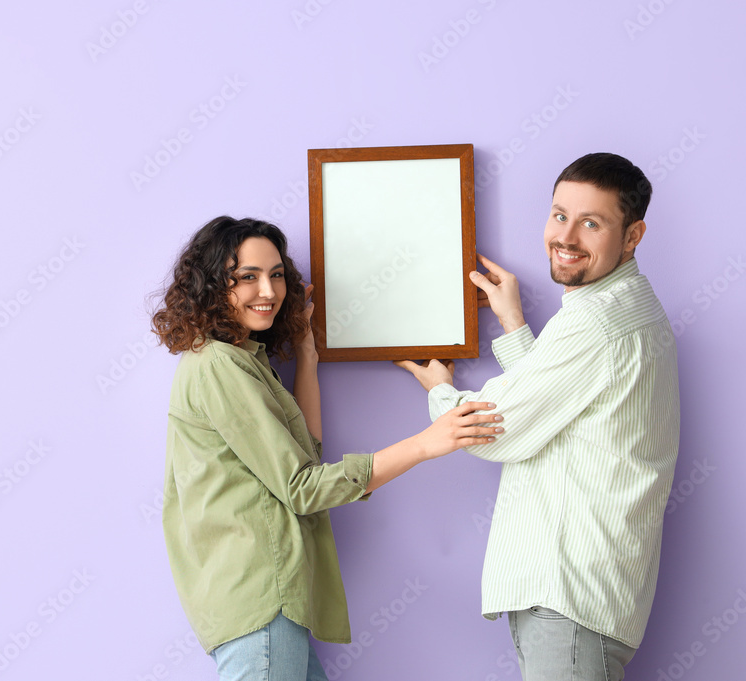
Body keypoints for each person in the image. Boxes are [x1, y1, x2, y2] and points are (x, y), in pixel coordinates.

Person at [152, 216, 503, 681]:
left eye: (276, 274)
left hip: (269, 603)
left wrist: (308, 355)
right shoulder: (219, 365)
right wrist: (425, 444)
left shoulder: (240, 361)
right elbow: (303, 488)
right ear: (214, 285)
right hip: (259, 600)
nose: (268, 291)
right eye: (247, 277)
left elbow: (304, 459)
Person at [397, 152, 680, 681]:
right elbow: (559, 408)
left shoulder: (596, 321)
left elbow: (492, 431)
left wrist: (441, 392)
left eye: (591, 223)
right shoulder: (625, 306)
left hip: (570, 596)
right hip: (587, 595)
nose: (566, 236)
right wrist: (514, 326)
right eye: (559, 215)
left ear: (634, 235)